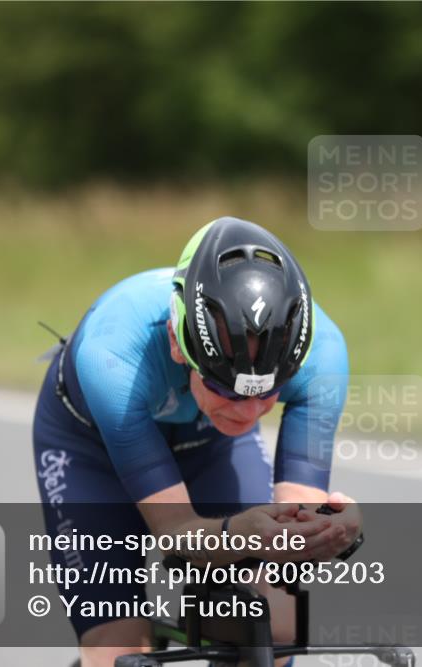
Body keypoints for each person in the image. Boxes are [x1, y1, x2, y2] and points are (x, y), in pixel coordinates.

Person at [32, 217, 360, 667]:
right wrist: (237, 533)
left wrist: (325, 531)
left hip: (207, 444)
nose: (249, 413)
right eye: (227, 390)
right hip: (91, 451)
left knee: (276, 624)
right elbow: (175, 532)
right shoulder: (113, 354)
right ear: (175, 343)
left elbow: (295, 526)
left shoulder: (323, 353)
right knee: (119, 647)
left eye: (268, 395)